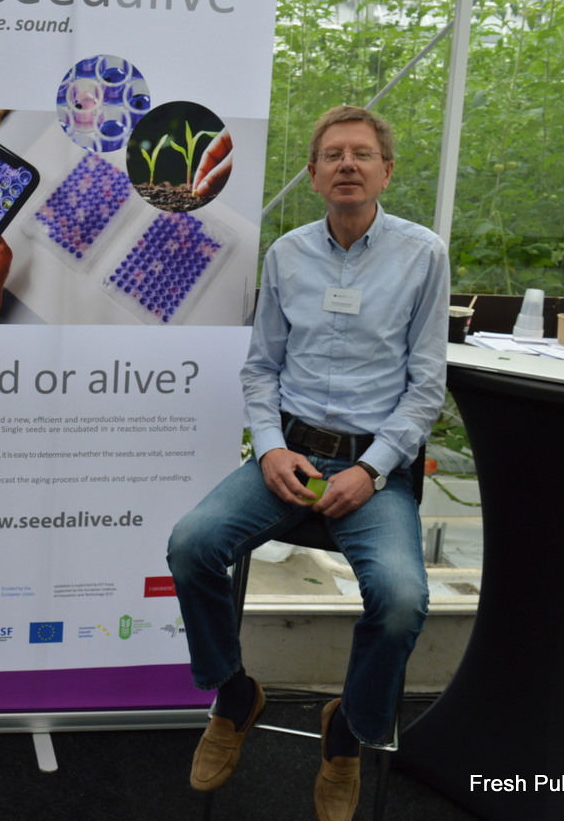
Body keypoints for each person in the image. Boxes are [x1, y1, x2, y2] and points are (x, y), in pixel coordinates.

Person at [166, 106, 448, 821]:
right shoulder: (287, 254)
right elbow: (261, 368)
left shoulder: (423, 254)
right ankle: (235, 695)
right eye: (333, 154)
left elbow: (426, 387)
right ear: (315, 174)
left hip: (374, 471)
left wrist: (373, 468)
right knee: (192, 544)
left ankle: (346, 733)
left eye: (362, 153)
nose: (347, 163)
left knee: (400, 602)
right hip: (289, 455)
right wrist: (269, 447)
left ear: (387, 171)